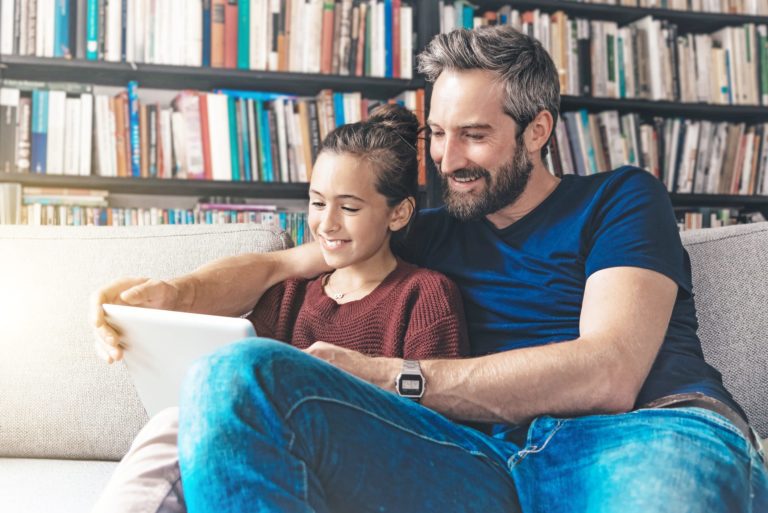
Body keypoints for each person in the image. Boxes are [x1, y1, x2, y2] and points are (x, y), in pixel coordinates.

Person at [92, 26, 768, 513]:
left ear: (536, 131)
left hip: (643, 431)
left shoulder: (619, 198)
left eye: (474, 135)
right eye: (438, 133)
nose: (447, 158)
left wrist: (391, 375)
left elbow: (610, 371)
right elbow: (276, 263)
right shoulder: (421, 229)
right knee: (234, 376)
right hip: (474, 456)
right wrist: (172, 292)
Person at [90, 104, 470, 513]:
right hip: (275, 464)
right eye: (318, 203)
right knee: (184, 424)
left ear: (398, 213)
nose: (327, 224)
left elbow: (438, 435)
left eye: (350, 207)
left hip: (367, 469)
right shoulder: (289, 295)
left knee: (175, 426)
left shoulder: (425, 295)